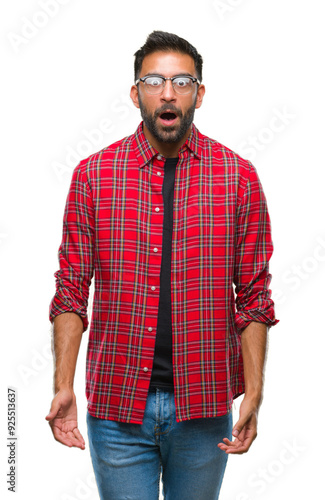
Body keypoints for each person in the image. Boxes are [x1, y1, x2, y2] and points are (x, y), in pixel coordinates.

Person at [46, 30, 279, 500]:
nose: (168, 93)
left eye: (182, 81)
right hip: (116, 407)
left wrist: (253, 392)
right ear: (136, 94)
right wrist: (63, 385)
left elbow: (254, 295)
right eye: (154, 81)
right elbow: (71, 286)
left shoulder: (238, 177)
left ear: (200, 93)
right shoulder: (93, 176)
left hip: (206, 406)